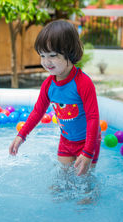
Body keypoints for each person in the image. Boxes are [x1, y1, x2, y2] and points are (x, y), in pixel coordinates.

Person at [9, 20, 101, 176]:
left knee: (85, 183)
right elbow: (38, 112)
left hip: (88, 142)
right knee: (61, 181)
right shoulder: (48, 85)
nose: (46, 62)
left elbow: (93, 118)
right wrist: (21, 135)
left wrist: (87, 152)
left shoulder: (83, 83)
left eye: (52, 55)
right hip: (66, 141)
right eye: (42, 55)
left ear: (70, 53)